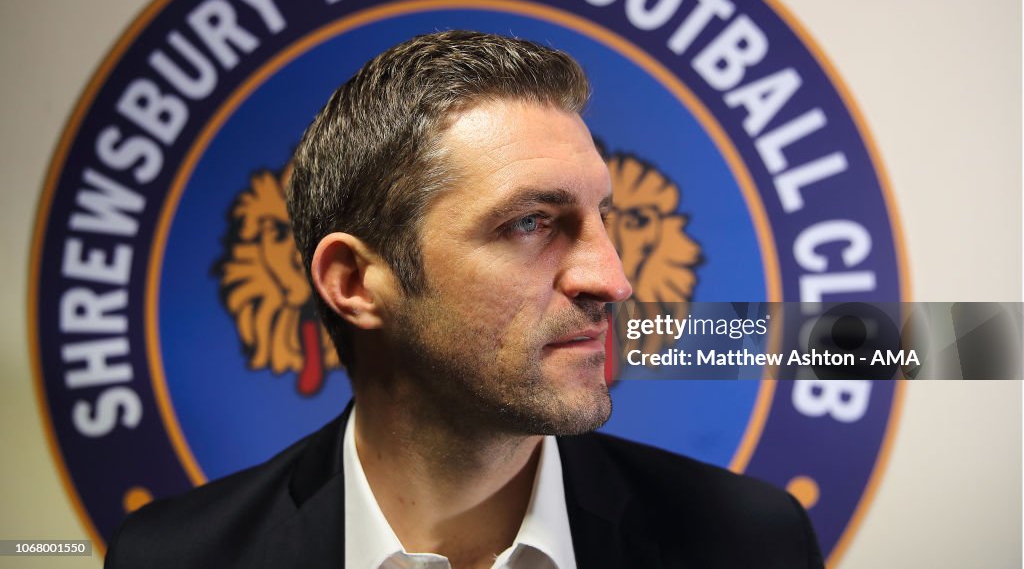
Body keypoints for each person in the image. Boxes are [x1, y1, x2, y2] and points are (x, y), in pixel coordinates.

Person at [105, 30, 824, 568]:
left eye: (607, 218)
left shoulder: (750, 543)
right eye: (531, 223)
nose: (612, 278)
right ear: (355, 282)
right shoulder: (173, 558)